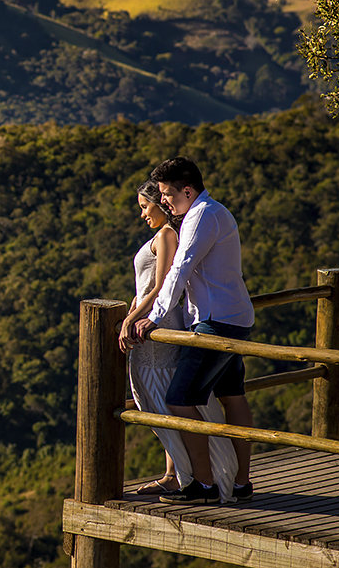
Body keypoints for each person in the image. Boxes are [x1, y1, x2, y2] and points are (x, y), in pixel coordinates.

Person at [129, 157, 255, 505]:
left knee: (180, 398)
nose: (164, 201)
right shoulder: (215, 211)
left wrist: (153, 317)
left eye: (168, 194)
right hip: (237, 317)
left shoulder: (200, 217)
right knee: (232, 395)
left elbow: (179, 270)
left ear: (188, 190)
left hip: (215, 322)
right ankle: (241, 482)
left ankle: (203, 483)